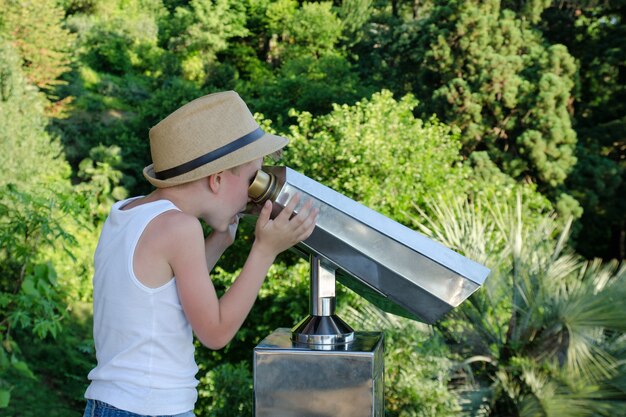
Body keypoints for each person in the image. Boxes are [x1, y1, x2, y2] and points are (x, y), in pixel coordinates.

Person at [82, 91, 318, 417]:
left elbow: (164, 292)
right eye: (252, 179)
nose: (253, 193)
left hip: (111, 404)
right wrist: (265, 250)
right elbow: (215, 332)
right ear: (217, 179)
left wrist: (221, 240)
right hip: (151, 409)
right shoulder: (180, 228)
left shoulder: (128, 213)